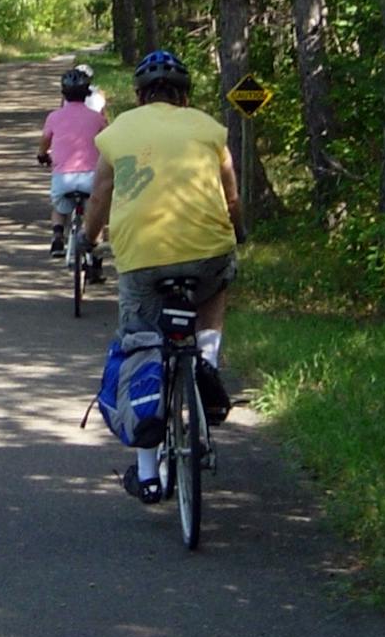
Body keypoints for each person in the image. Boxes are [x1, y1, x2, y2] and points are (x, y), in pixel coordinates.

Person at [80, 50, 242, 504]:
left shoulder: (117, 133)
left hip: (143, 262)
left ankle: (148, 474)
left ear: (138, 95)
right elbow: (231, 198)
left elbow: (99, 198)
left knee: (140, 342)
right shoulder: (210, 129)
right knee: (216, 286)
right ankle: (206, 361)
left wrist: (88, 240)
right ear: (185, 95)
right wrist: (238, 230)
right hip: (207, 253)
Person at [39, 65, 108, 259]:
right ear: (87, 93)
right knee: (95, 216)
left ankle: (58, 237)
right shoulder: (97, 118)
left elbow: (45, 141)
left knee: (59, 208)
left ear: (63, 94)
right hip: (91, 178)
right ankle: (95, 261)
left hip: (63, 179)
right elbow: (107, 140)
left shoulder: (54, 117)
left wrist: (42, 155)